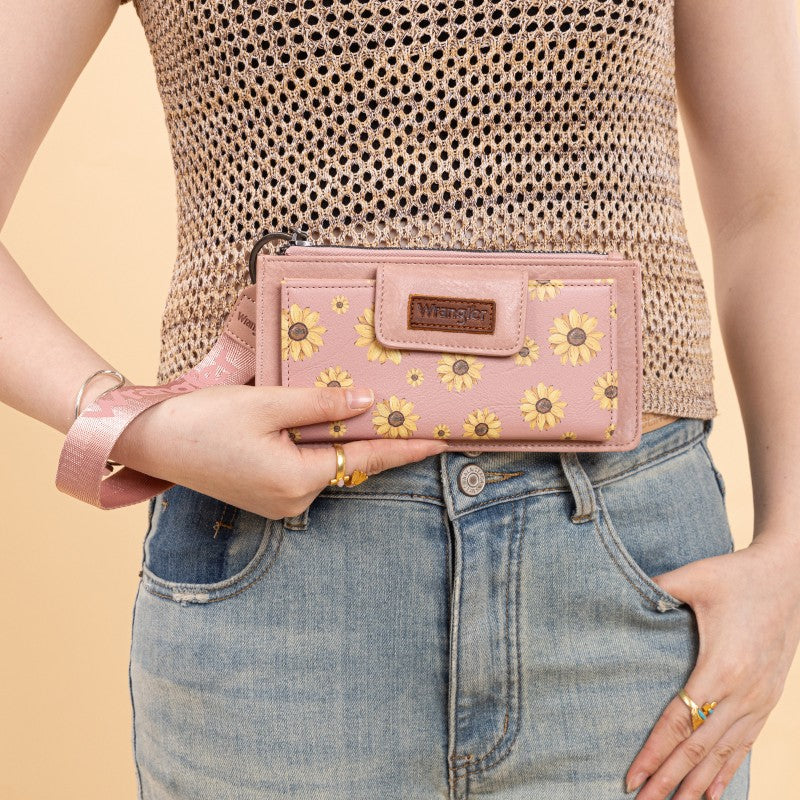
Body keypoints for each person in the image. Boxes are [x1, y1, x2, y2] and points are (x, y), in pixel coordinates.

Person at [2, 0, 799, 798]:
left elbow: (772, 206)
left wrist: (789, 560)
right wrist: (141, 426)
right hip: (273, 590)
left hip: (633, 574)